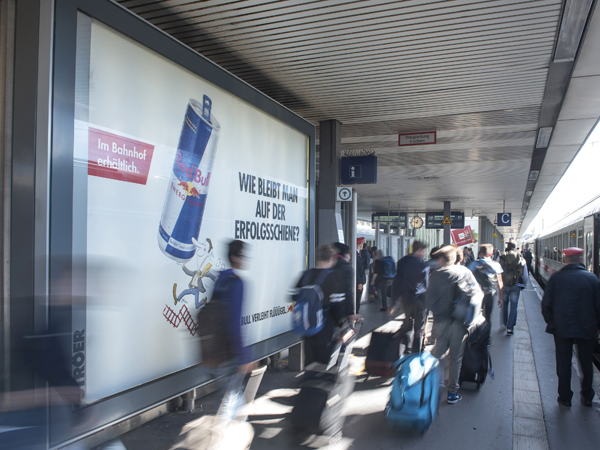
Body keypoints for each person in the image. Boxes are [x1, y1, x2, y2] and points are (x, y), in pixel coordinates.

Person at [541, 247, 600, 407]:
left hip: (562, 328)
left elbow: (546, 305)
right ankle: (587, 396)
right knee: (586, 362)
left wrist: (552, 323)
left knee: (564, 362)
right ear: (581, 260)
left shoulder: (556, 278)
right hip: (587, 327)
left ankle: (565, 397)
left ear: (565, 259)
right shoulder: (592, 279)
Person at [427, 245, 483, 404]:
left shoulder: (434, 275)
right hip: (460, 322)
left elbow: (428, 302)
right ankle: (452, 392)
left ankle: (432, 386)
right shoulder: (465, 272)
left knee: (437, 354)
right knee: (455, 358)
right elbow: (478, 294)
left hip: (440, 322)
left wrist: (426, 328)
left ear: (442, 259)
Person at [215, 240, 254, 423]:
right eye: (242, 255)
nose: (244, 259)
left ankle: (236, 431)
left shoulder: (220, 279)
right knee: (231, 398)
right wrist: (243, 356)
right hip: (231, 350)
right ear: (234, 257)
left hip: (218, 347)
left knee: (232, 395)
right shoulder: (237, 283)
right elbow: (234, 321)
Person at [294, 245, 346, 365]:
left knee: (309, 357)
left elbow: (292, 295)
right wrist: (344, 327)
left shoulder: (306, 274)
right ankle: (318, 380)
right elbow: (337, 306)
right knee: (323, 359)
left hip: (305, 325)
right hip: (323, 325)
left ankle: (307, 379)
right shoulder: (332, 276)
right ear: (330, 259)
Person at [391, 241, 428, 354]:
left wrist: (393, 302)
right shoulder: (422, 265)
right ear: (419, 250)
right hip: (420, 300)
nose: (424, 254)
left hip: (406, 299)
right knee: (419, 328)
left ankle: (406, 348)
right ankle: (417, 352)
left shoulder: (402, 262)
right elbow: (426, 285)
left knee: (408, 324)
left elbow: (397, 282)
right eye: (423, 251)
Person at [469, 244, 504, 343]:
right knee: (488, 316)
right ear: (492, 253)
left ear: (480, 253)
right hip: (489, 294)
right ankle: (487, 338)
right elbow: (500, 282)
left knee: (475, 315)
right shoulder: (496, 265)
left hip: (476, 295)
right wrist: (500, 298)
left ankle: (474, 337)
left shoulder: (474, 264)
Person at [499, 242, 526, 335]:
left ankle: (504, 323)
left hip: (505, 284)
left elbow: (499, 270)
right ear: (515, 248)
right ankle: (510, 328)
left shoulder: (503, 256)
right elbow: (523, 271)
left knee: (504, 305)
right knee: (514, 306)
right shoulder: (519, 256)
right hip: (515, 284)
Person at [333, 242, 362, 323]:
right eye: (348, 254)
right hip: (340, 309)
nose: (349, 257)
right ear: (344, 255)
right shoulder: (346, 268)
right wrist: (351, 313)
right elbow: (348, 291)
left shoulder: (329, 264)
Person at [356, 238, 367, 311]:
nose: (362, 245)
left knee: (358, 301)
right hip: (358, 283)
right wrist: (359, 282)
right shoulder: (355, 255)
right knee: (356, 300)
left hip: (360, 282)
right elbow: (356, 270)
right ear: (360, 244)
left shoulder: (358, 254)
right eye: (362, 243)